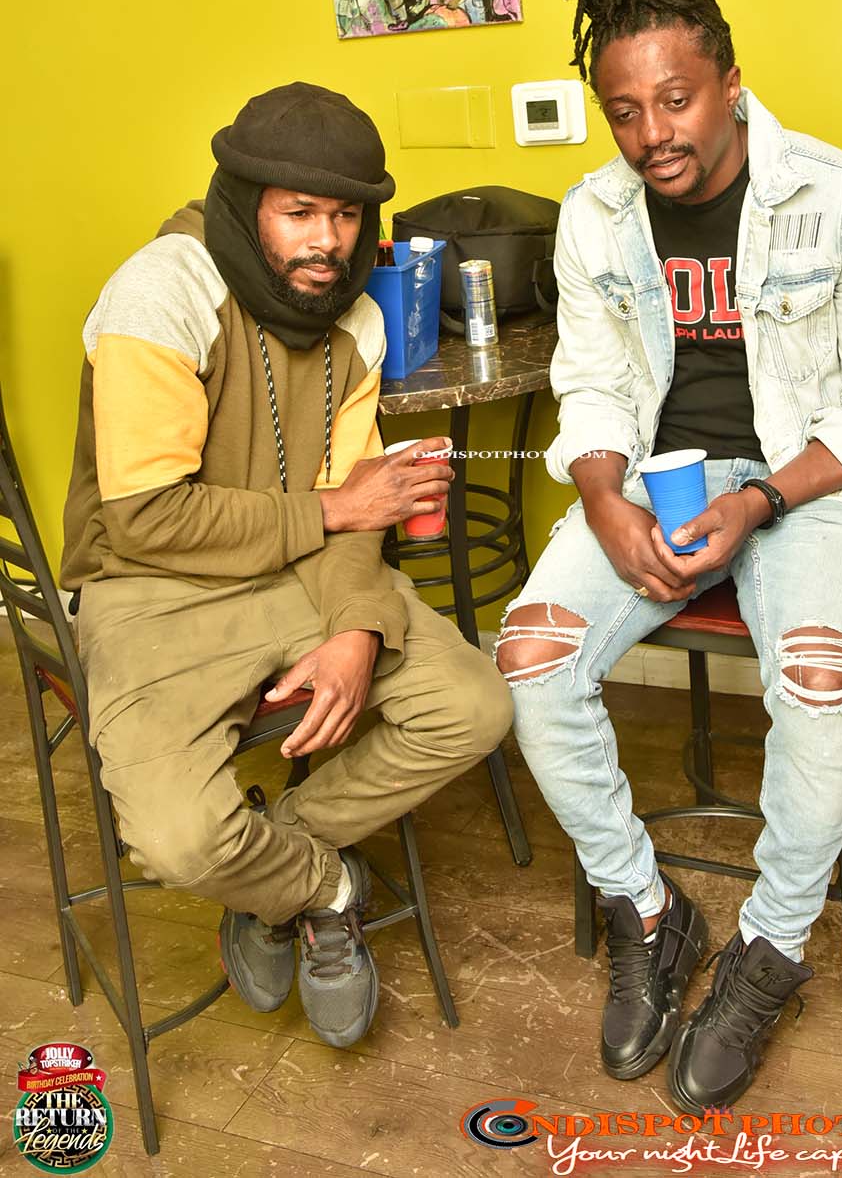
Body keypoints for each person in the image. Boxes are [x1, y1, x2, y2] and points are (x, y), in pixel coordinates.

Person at [495, 0, 842, 1113]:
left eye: (676, 100)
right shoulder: (595, 217)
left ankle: (772, 949)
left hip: (811, 481)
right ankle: (648, 907)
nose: (653, 135)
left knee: (821, 682)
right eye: (625, 111)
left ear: (731, 83)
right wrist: (601, 496)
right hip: (655, 474)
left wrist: (762, 501)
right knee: (530, 653)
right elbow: (590, 386)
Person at [62, 82, 512, 1050]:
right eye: (299, 212)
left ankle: (273, 854)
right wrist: (337, 508)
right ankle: (325, 887)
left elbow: (362, 510)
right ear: (244, 201)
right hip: (152, 588)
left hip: (297, 572)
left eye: (345, 216)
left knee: (475, 706)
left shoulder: (354, 319)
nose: (326, 241)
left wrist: (355, 633)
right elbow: (143, 518)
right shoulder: (161, 292)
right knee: (180, 838)